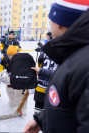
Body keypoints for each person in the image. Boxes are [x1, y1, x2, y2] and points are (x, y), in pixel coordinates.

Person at [23, 1, 89, 133]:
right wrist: (42, 120)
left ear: (59, 23)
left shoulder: (84, 65)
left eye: (50, 21)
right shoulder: (73, 54)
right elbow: (68, 106)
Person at [0, 45, 27, 115]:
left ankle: (20, 109)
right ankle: (12, 100)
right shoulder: (4, 60)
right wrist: (2, 74)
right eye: (9, 55)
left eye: (12, 55)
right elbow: (0, 68)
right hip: (9, 79)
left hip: (18, 80)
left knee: (19, 94)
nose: (10, 57)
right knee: (10, 92)